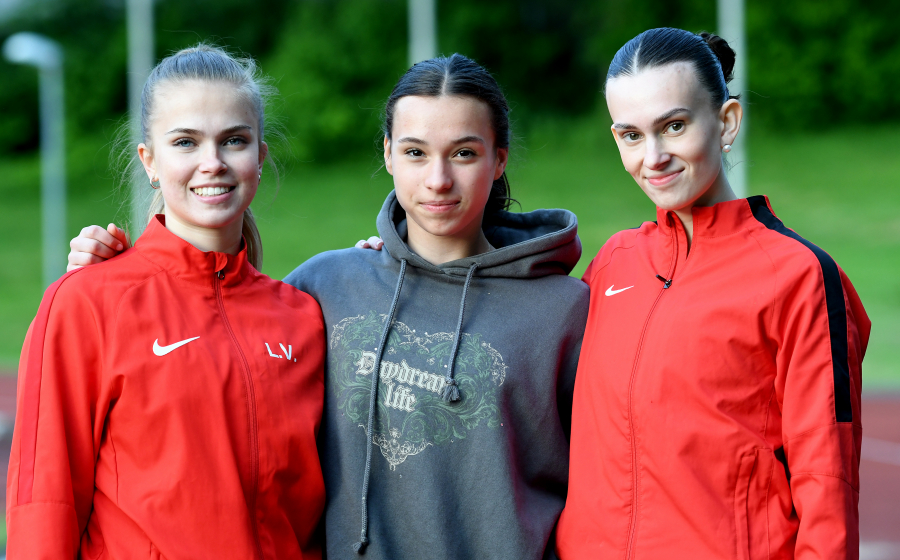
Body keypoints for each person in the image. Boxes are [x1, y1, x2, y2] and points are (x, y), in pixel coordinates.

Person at [67, 53, 589, 559]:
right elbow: (222, 327)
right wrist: (115, 280)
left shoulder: (565, 312)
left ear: (499, 160)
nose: (438, 179)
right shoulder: (327, 287)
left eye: (464, 153)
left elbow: (602, 492)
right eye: (415, 152)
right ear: (388, 154)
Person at [555, 28, 870, 559]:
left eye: (674, 126)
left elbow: (826, 481)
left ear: (726, 122)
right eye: (632, 135)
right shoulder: (612, 262)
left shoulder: (799, 276)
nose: (653, 156)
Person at [9, 45, 326, 558]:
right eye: (185, 142)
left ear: (260, 157)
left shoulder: (303, 318)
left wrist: (381, 262)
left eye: (234, 140)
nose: (212, 163)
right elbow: (44, 500)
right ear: (150, 161)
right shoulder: (87, 301)